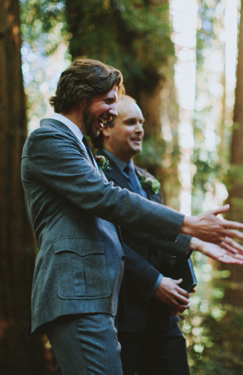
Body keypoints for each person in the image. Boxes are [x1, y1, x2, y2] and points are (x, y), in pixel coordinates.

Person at [21, 59, 243, 375]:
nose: (112, 112)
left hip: (97, 300)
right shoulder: (48, 140)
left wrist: (192, 240)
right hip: (76, 295)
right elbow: (107, 198)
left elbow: (120, 221)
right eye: (110, 101)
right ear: (83, 96)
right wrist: (188, 221)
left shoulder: (81, 148)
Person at [94, 95, 219, 375]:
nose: (140, 129)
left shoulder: (148, 181)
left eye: (141, 122)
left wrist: (181, 281)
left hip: (162, 318)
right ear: (105, 129)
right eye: (130, 122)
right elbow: (109, 240)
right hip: (122, 315)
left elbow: (160, 235)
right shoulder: (95, 176)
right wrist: (154, 282)